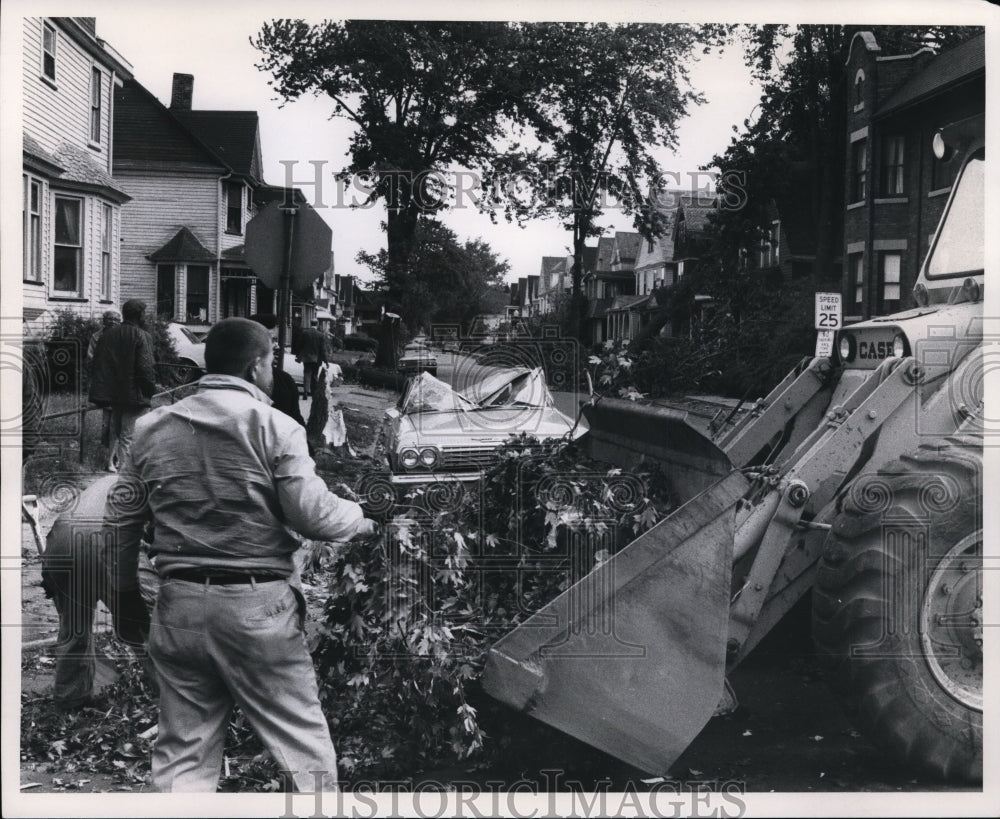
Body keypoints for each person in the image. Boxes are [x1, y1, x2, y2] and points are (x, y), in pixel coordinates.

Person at [104, 317, 379, 792]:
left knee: (183, 752)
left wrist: (125, 594)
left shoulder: (150, 428)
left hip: (179, 605)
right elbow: (312, 516)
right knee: (302, 746)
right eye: (272, 360)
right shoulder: (276, 428)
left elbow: (120, 522)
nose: (273, 370)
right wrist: (362, 517)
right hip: (258, 610)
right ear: (256, 367)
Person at [41, 475, 158, 708]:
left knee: (74, 630)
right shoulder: (158, 483)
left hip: (61, 545)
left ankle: (70, 701)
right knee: (151, 631)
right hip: (109, 544)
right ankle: (172, 704)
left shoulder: (110, 481)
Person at [88, 300, 155, 472]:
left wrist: (103, 392)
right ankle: (126, 478)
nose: (145, 317)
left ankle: (119, 471)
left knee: (116, 433)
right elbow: (145, 368)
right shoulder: (142, 335)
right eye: (144, 313)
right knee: (128, 436)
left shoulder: (106, 335)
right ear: (138, 315)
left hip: (113, 395)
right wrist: (149, 391)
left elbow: (97, 365)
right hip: (134, 397)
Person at [249, 313, 305, 427]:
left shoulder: (286, 382)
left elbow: (297, 424)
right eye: (271, 340)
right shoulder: (238, 382)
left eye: (276, 340)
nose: (277, 346)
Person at [86, 310, 121, 451]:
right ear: (104, 321)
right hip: (103, 378)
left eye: (115, 320)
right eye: (109, 319)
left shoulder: (122, 335)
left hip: (120, 379)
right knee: (107, 414)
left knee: (119, 414)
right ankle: (105, 445)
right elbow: (90, 356)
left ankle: (115, 447)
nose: (112, 322)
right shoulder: (97, 336)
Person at [295, 319, 327, 397]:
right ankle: (313, 393)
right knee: (315, 375)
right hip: (317, 359)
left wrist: (297, 354)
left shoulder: (305, 333)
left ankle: (305, 392)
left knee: (307, 374)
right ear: (317, 324)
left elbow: (300, 344)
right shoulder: (320, 335)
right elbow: (323, 349)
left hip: (307, 358)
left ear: (310, 323)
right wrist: (326, 361)